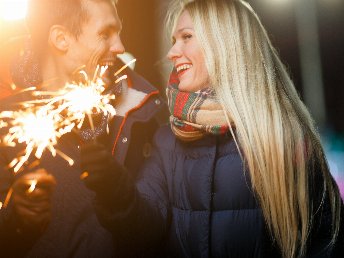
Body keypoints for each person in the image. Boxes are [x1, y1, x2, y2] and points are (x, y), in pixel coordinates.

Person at [80, 0, 344, 257]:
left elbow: (325, 243)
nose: (172, 53)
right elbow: (144, 231)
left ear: (224, 44)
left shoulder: (284, 138)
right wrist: (116, 190)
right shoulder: (167, 141)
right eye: (173, 41)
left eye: (186, 37)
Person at [0, 0, 166, 257]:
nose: (120, 46)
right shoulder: (7, 125)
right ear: (61, 39)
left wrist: (121, 195)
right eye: (105, 34)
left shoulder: (139, 119)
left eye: (119, 33)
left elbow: (156, 238)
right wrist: (19, 223)